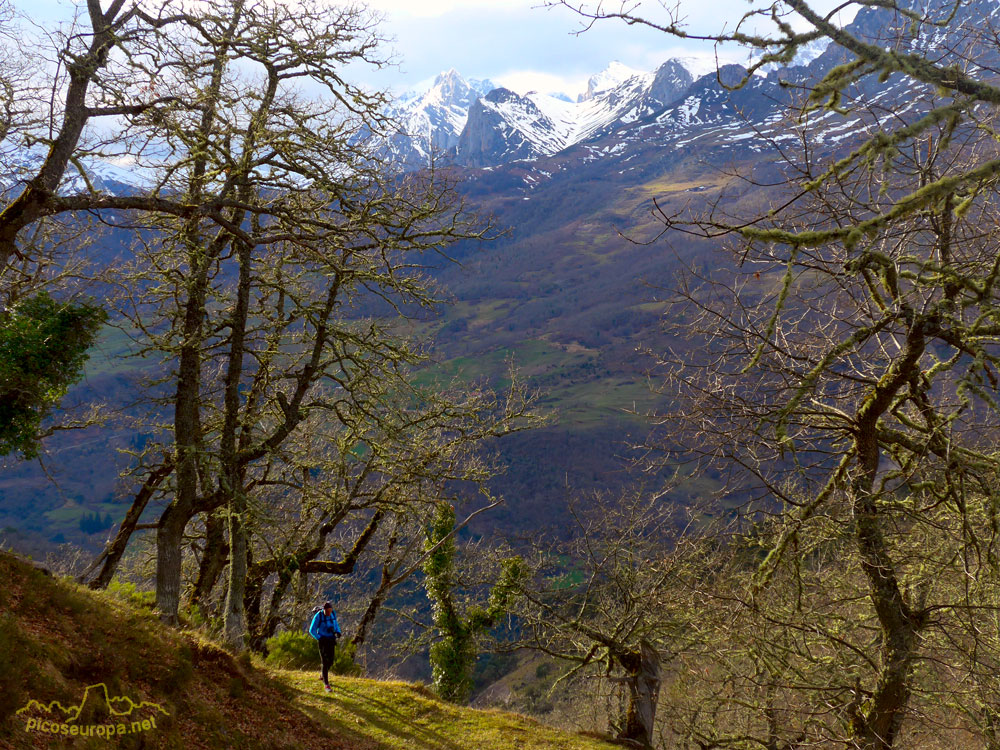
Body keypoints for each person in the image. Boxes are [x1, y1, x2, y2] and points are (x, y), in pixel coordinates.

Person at [308, 601, 342, 692]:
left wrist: (338, 632)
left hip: (331, 640)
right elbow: (312, 630)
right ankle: (326, 684)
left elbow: (336, 624)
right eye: (327, 611)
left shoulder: (333, 614)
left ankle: (323, 675)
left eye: (330, 611)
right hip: (323, 641)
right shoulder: (318, 616)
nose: (328, 613)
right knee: (325, 661)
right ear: (324, 610)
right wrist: (319, 638)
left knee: (331, 661)